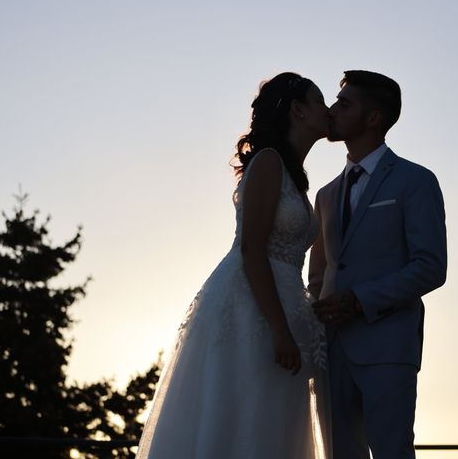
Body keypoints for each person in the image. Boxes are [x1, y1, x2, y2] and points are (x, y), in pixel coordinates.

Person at [136, 72, 332, 459]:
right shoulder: (269, 163)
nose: (327, 112)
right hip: (253, 311)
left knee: (272, 427)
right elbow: (251, 250)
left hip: (285, 308)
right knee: (243, 419)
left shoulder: (296, 177)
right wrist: (278, 329)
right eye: (320, 102)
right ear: (298, 110)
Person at [309, 70, 447, 459]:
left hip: (388, 345)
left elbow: (431, 266)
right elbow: (317, 278)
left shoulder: (415, 181)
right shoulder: (326, 195)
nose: (333, 110)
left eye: (344, 103)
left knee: (392, 452)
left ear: (373, 118)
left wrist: (359, 300)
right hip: (332, 350)